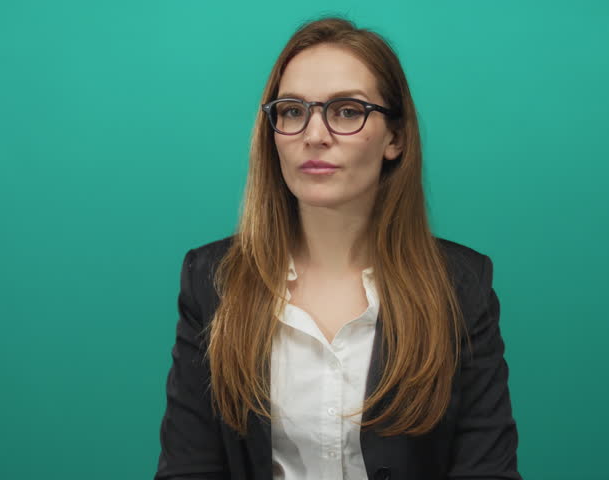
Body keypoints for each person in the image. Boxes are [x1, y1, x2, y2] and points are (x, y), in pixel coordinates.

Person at [155, 16, 522, 480]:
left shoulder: (461, 286)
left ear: (396, 137)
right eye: (292, 111)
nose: (314, 134)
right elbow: (189, 468)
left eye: (347, 111)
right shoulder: (213, 281)